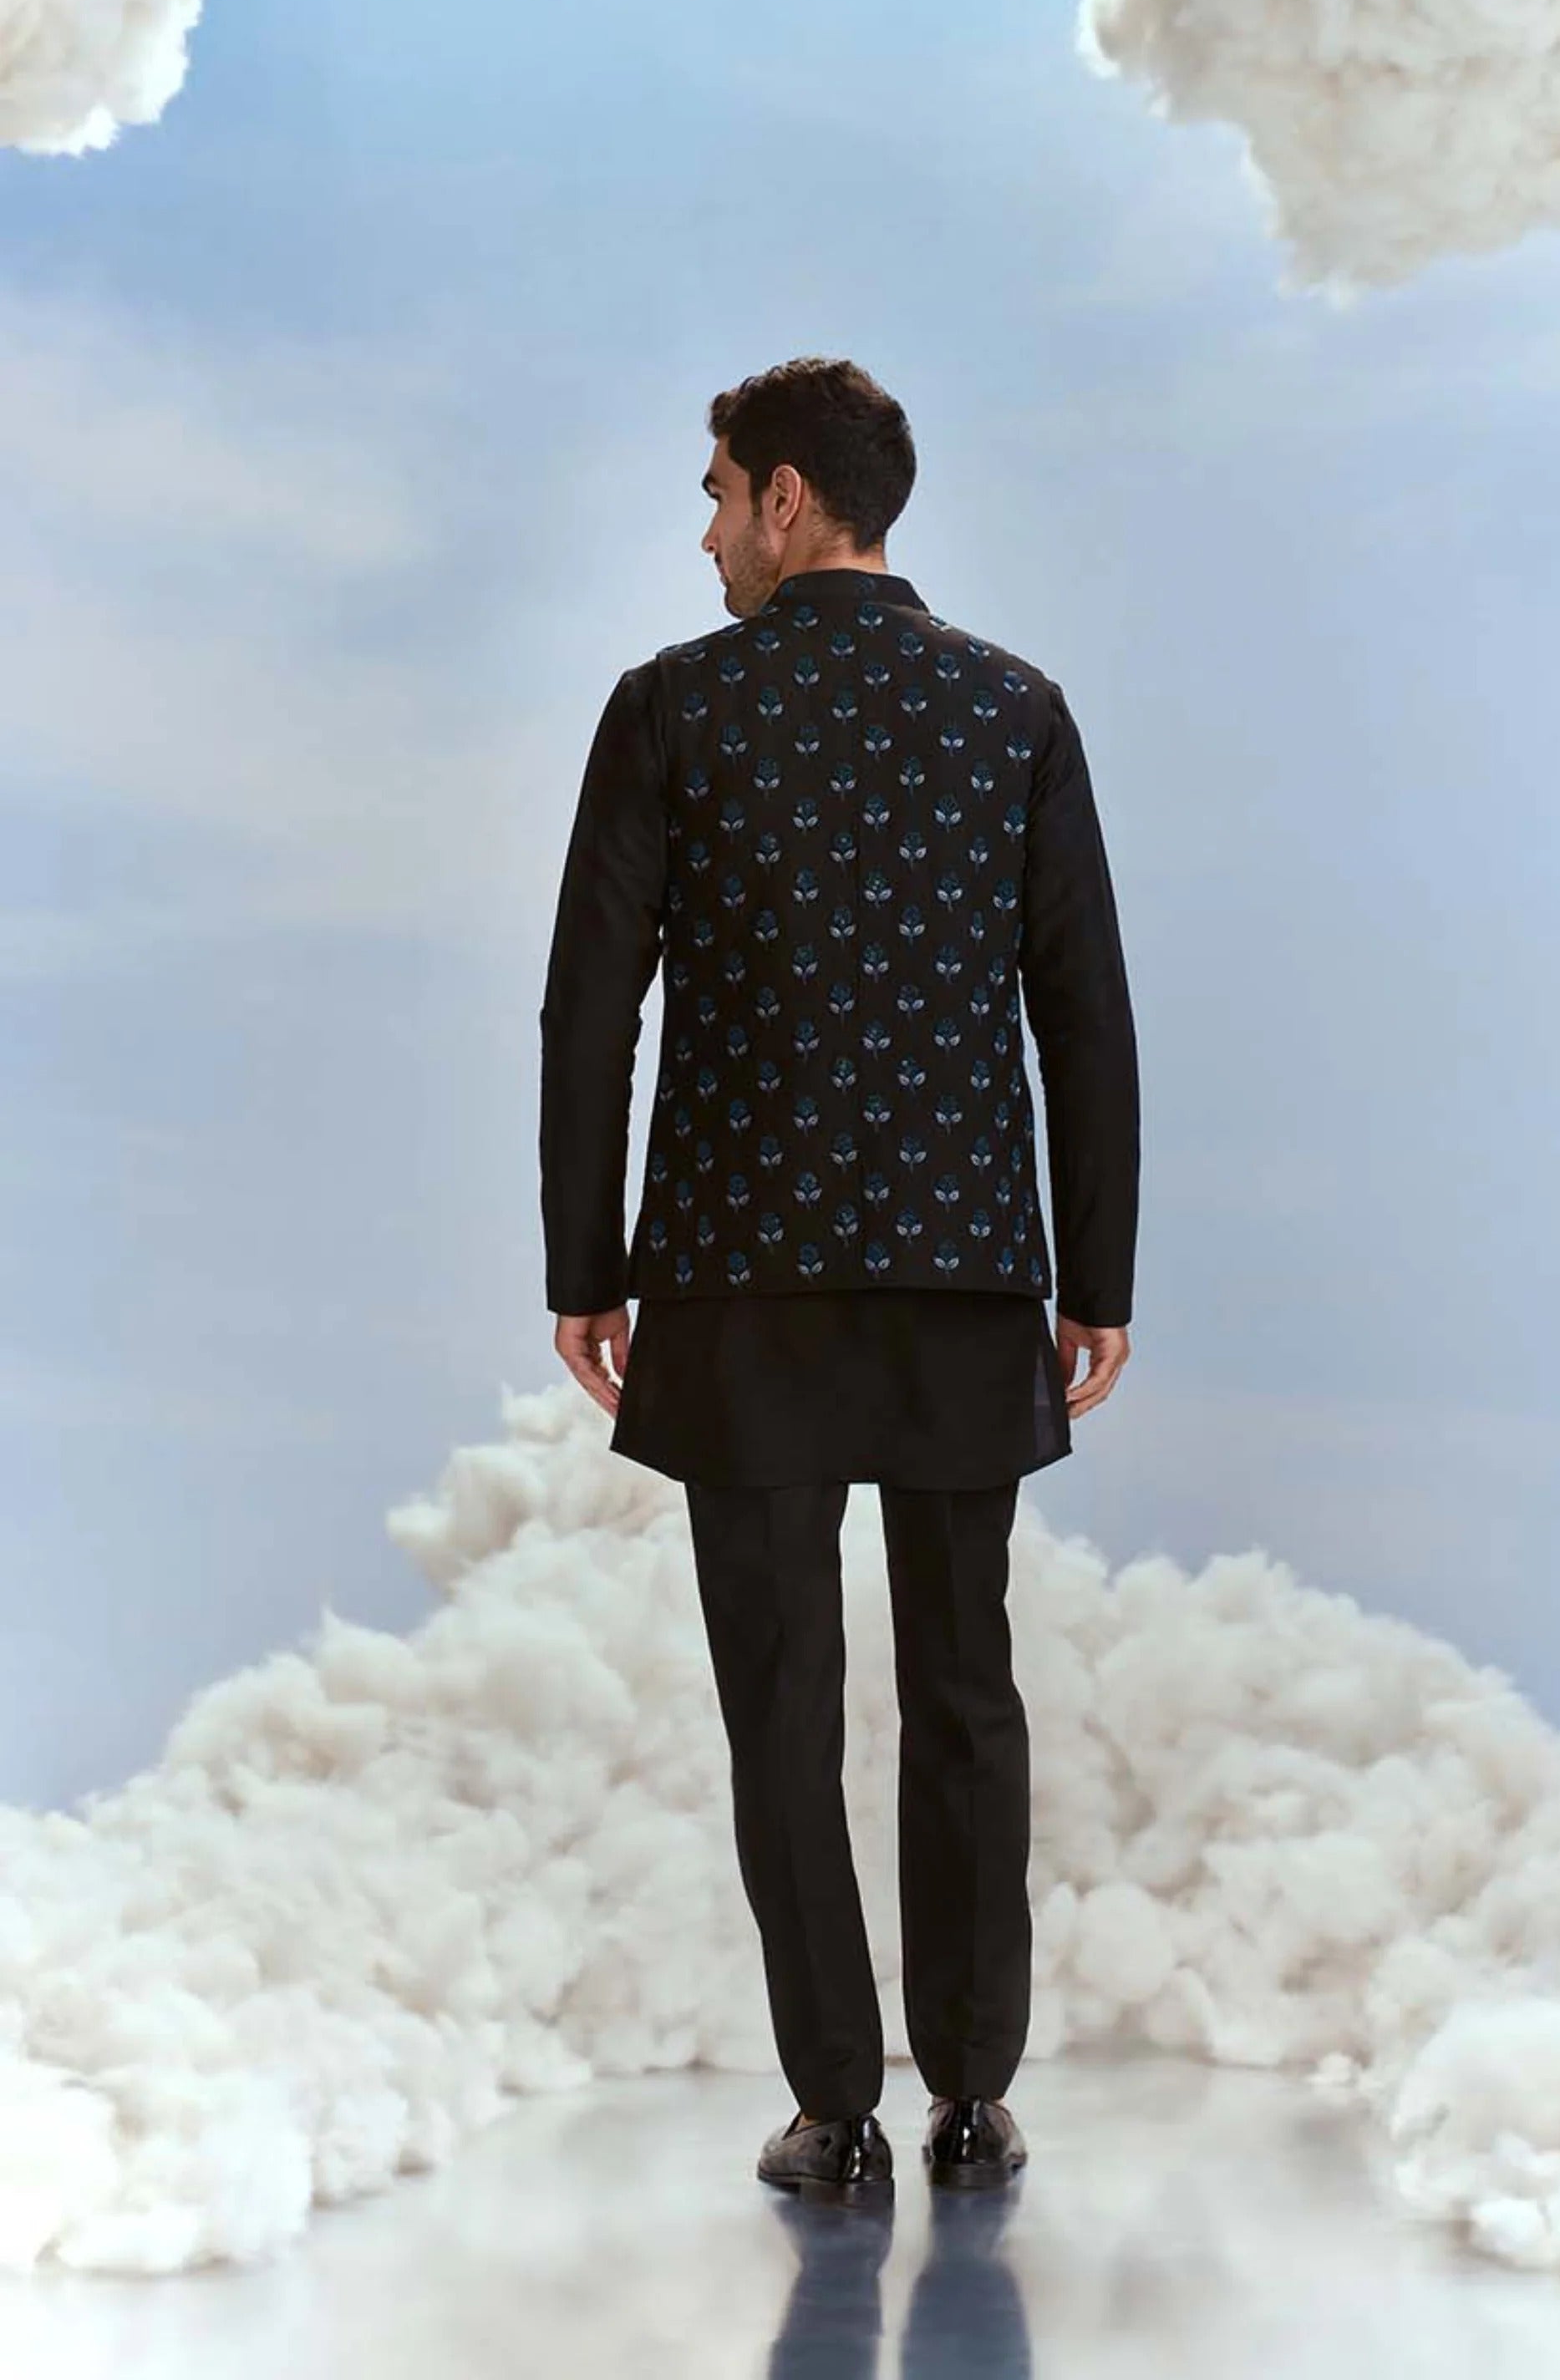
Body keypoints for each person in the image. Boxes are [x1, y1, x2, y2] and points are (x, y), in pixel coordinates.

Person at [539, 356, 1141, 2209]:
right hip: (968, 1273)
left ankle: (836, 2109)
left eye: (718, 495)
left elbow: (590, 1009)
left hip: (740, 1282)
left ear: (788, 498)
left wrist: (586, 1265)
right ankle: (973, 2098)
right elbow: (1084, 1016)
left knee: (783, 1704)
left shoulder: (672, 705)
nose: (709, 534)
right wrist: (1096, 1275)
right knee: (966, 1689)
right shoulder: (1016, 709)